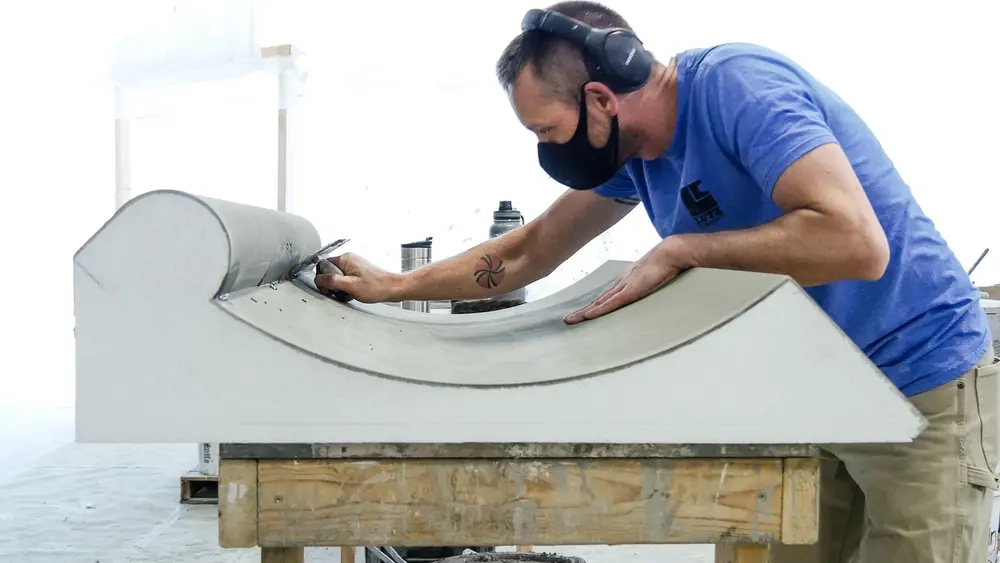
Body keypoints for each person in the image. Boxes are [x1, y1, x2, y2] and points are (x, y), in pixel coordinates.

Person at [317, 2, 998, 561]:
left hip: (917, 377)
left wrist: (685, 250)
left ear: (600, 98)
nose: (549, 151)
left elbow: (856, 241)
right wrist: (393, 288)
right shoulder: (638, 155)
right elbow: (531, 250)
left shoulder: (738, 87)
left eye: (548, 130)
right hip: (815, 387)